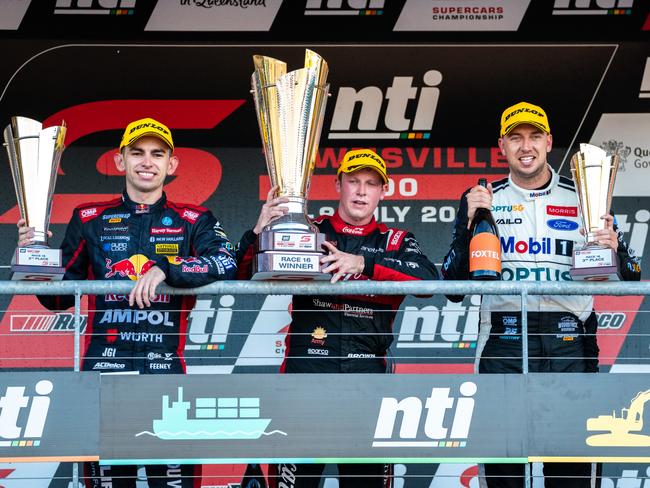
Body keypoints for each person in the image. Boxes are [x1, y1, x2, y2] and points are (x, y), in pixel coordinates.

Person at [18, 117, 238, 487]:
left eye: (157, 154)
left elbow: (226, 261)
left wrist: (168, 268)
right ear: (120, 162)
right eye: (137, 153)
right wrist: (32, 260)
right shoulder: (90, 217)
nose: (146, 162)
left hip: (166, 375)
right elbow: (58, 296)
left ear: (173, 165)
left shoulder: (193, 220)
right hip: (104, 374)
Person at [441, 101, 641, 488]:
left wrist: (616, 248)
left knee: (572, 473)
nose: (525, 146)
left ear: (549, 142)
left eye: (534, 137)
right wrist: (467, 225)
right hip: (502, 340)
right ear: (502, 146)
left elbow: (633, 276)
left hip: (570, 341)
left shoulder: (583, 195)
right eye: (515, 138)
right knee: (504, 473)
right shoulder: (483, 198)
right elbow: (451, 284)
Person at [237, 149, 439, 488]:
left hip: (368, 383)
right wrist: (257, 233)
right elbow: (242, 276)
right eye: (354, 181)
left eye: (371, 184)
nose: (361, 191)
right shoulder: (309, 230)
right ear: (338, 184)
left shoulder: (396, 241)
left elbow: (428, 282)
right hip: (304, 379)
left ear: (383, 191)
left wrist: (363, 265)